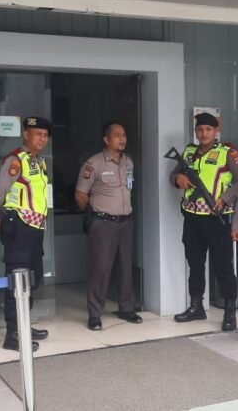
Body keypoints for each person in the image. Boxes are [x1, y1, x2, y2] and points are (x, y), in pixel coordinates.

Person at [169, 112, 238, 331]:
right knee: (195, 264)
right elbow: (173, 175)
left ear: (216, 131)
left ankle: (230, 310)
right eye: (200, 129)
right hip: (192, 217)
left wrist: (225, 198)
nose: (203, 133)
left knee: (223, 265)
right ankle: (196, 306)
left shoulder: (228, 153)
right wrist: (178, 179)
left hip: (217, 219)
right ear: (195, 131)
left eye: (208, 129)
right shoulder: (189, 152)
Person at [0, 116, 51, 352]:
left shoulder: (39, 162)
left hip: (34, 228)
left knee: (31, 278)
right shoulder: (16, 160)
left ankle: (23, 325)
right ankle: (13, 334)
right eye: (38, 134)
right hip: (19, 227)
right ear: (26, 135)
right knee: (17, 280)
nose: (42, 139)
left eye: (45, 135)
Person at [75, 121, 142, 331]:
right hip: (103, 223)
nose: (122, 139)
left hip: (126, 222)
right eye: (117, 135)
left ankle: (126, 308)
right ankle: (95, 314)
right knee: (101, 269)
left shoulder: (129, 162)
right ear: (106, 139)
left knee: (126, 267)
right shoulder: (93, 164)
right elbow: (80, 195)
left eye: (124, 135)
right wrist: (94, 216)